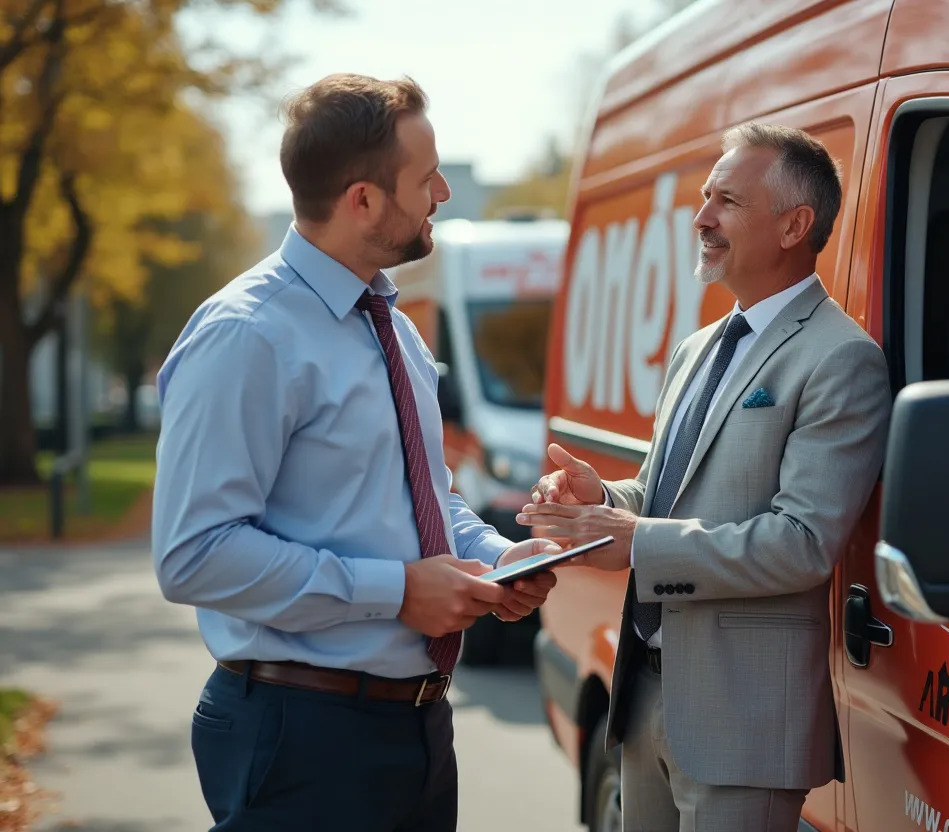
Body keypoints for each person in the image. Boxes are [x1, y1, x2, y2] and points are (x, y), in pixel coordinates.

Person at [151, 73, 559, 832]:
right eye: (424, 176)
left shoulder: (393, 327)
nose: (442, 191)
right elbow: (193, 554)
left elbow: (425, 499)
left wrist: (496, 559)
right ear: (362, 200)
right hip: (301, 735)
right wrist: (398, 590)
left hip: (413, 734)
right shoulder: (247, 334)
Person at [519, 123, 891, 831]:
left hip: (741, 728)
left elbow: (803, 542)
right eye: (704, 197)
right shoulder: (698, 347)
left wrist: (638, 541)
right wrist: (598, 499)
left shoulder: (841, 358)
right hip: (644, 699)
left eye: (726, 200)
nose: (701, 218)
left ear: (794, 226)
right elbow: (664, 500)